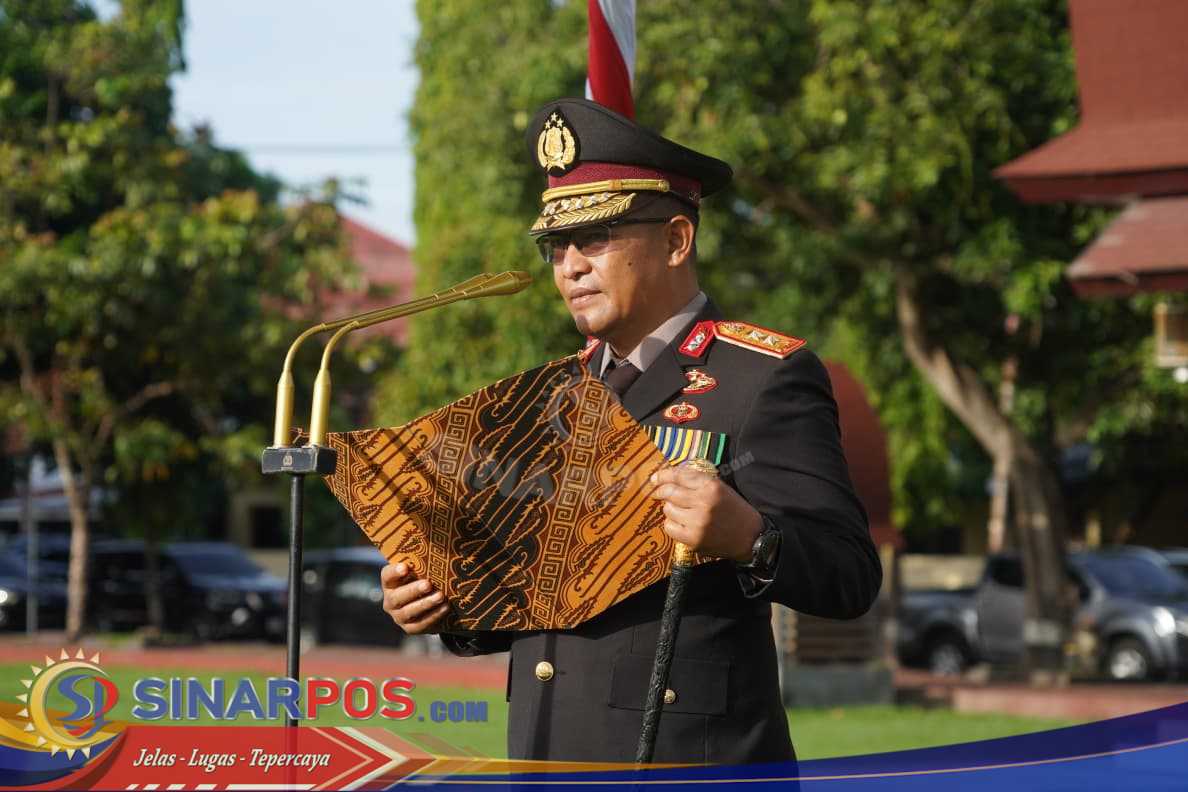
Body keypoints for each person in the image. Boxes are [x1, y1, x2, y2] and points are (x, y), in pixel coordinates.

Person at [380, 97, 882, 764]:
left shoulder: (763, 378)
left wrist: (752, 538)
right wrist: (448, 607)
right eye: (557, 246)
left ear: (677, 239)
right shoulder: (549, 398)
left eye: (596, 239)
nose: (570, 266)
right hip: (546, 760)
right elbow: (548, 604)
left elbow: (850, 575)